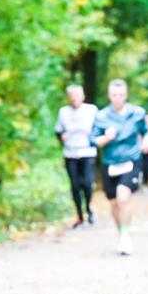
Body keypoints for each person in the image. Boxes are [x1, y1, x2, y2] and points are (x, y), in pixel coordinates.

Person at [91, 79, 148, 255]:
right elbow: (95, 141)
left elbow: (146, 132)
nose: (117, 98)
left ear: (126, 95)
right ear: (109, 95)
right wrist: (106, 137)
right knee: (114, 202)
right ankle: (121, 234)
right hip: (110, 163)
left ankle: (125, 236)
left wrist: (146, 142)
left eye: (121, 95)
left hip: (131, 160)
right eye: (114, 95)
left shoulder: (137, 113)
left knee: (123, 195)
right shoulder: (101, 116)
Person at [54, 84, 98, 228]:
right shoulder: (63, 112)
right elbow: (58, 131)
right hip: (70, 153)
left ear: (83, 96)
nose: (74, 99)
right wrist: (62, 136)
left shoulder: (91, 110)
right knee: (75, 185)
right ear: (68, 98)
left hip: (87, 152)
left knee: (87, 183)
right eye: (71, 96)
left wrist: (92, 133)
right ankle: (79, 215)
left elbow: (100, 128)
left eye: (77, 95)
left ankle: (89, 209)